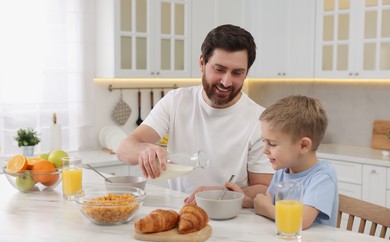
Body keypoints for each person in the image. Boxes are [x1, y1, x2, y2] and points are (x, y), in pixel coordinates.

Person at [117, 24, 274, 206]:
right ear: (202, 63)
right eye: (219, 69)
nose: (226, 81)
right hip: (179, 208)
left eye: (237, 73)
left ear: (247, 72)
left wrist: (219, 195)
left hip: (233, 216)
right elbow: (124, 150)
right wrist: (145, 150)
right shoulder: (177, 101)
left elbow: (264, 188)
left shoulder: (260, 120)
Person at [227, 95, 338, 229]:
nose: (265, 150)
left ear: (303, 146)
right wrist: (249, 202)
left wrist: (266, 208)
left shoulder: (322, 176)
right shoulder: (282, 170)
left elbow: (301, 220)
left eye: (272, 144)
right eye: (264, 141)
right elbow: (268, 203)